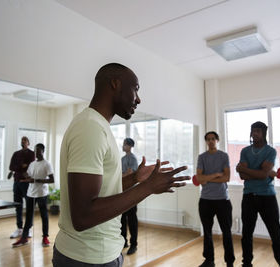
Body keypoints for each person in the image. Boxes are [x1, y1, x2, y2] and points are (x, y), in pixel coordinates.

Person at [52, 63, 189, 267]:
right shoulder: (91, 128)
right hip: (88, 258)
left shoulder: (97, 126)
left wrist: (134, 179)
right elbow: (83, 216)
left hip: (98, 254)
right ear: (115, 84)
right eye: (136, 89)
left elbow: (102, 193)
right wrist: (149, 187)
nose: (139, 99)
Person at [236, 121, 280, 267]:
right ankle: (246, 263)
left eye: (258, 131)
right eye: (253, 130)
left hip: (267, 197)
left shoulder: (271, 151)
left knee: (276, 234)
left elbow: (262, 174)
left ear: (264, 133)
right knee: (246, 234)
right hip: (249, 196)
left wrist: (245, 170)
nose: (255, 133)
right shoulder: (245, 151)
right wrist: (261, 173)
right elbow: (243, 177)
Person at [196, 131, 234, 267]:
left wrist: (207, 178)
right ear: (206, 142)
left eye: (213, 139)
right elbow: (199, 179)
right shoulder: (202, 157)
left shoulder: (223, 156)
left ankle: (229, 262)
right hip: (205, 200)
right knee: (207, 232)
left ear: (217, 140)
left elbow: (227, 177)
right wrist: (216, 175)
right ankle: (209, 260)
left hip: (222, 200)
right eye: (208, 139)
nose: (211, 141)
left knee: (227, 232)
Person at [12, 143, 54, 248]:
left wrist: (36, 180)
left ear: (43, 151)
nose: (36, 153)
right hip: (30, 193)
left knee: (44, 215)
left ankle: (45, 237)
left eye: (38, 151)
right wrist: (25, 175)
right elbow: (28, 174)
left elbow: (52, 180)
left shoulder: (47, 164)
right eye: (35, 151)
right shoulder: (32, 164)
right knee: (29, 216)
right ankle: (24, 238)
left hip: (41, 194)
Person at [8, 136, 35, 238]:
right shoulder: (16, 154)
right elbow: (11, 167)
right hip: (17, 182)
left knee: (29, 206)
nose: (23, 142)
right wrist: (21, 166)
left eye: (25, 140)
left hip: (27, 183)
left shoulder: (32, 154)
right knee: (18, 206)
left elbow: (30, 166)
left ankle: (28, 229)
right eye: (22, 140)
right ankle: (19, 228)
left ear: (28, 142)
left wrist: (21, 167)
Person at [120, 138, 139, 255]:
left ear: (130, 146)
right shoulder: (122, 159)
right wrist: (123, 174)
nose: (123, 146)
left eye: (124, 144)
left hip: (131, 193)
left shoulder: (133, 159)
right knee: (122, 219)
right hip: (123, 192)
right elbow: (121, 174)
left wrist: (123, 174)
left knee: (132, 220)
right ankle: (123, 241)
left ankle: (134, 244)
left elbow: (130, 173)